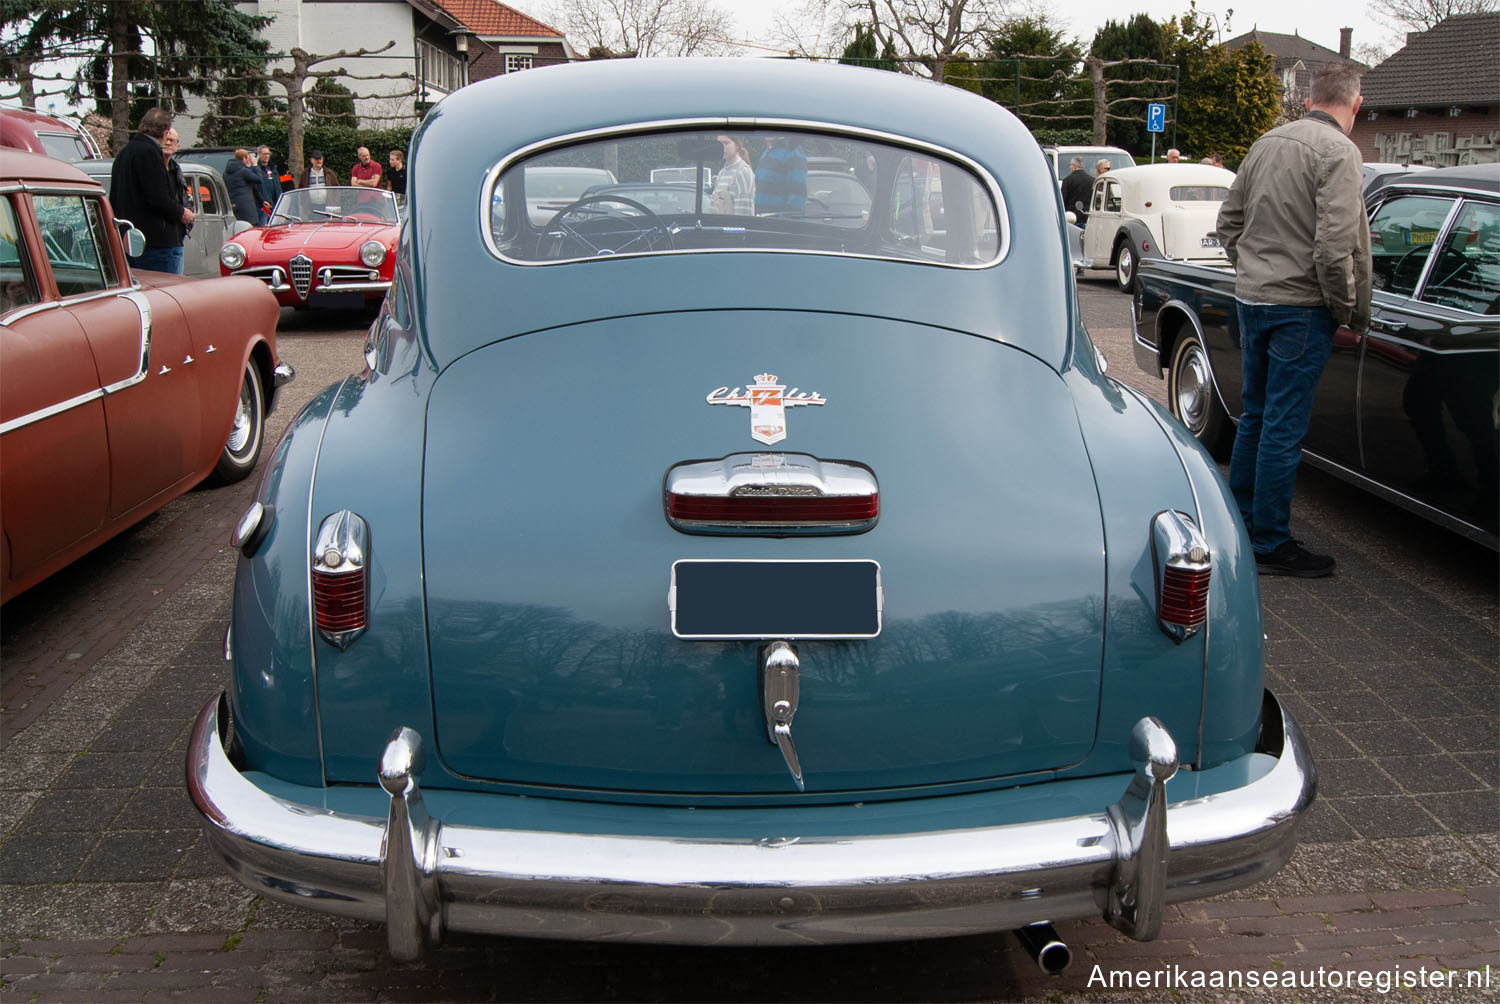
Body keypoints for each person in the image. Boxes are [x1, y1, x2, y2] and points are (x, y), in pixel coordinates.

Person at [1216, 63, 1371, 577]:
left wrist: (1253, 273)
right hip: (1301, 308)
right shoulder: (1340, 153)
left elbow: (1229, 222)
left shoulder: (1265, 143)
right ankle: (1270, 542)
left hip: (1254, 299)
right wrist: (1343, 306)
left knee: (1256, 417)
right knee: (1282, 426)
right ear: (1355, 105)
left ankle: (1240, 525)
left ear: (1309, 101)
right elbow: (1334, 247)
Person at [108, 107, 194, 273]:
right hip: (156, 243)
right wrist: (182, 212)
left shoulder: (124, 154)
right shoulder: (150, 153)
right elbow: (158, 197)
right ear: (164, 132)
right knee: (166, 293)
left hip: (129, 239)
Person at [754, 135, 806, 216]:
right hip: (762, 222)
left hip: (777, 225)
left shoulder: (793, 152)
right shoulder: (766, 152)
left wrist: (779, 223)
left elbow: (797, 201)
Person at [710, 135, 754, 215]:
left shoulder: (743, 172)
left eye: (726, 143)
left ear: (737, 146)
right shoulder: (721, 173)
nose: (722, 147)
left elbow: (743, 215)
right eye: (719, 143)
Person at [224, 148, 263, 226]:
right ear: (244, 158)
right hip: (246, 207)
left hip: (233, 205)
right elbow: (259, 179)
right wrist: (255, 165)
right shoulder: (243, 171)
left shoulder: (226, 172)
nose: (249, 160)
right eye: (248, 157)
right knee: (250, 229)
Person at [1060, 155, 1092, 221]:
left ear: (1074, 166)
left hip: (1072, 217)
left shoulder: (1068, 180)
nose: (1070, 167)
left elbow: (1063, 200)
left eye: (1070, 165)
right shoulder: (1092, 180)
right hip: (1087, 216)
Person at [255, 145, 281, 222]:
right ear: (259, 154)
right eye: (264, 154)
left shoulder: (273, 168)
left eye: (268, 154)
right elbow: (256, 188)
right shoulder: (257, 169)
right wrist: (262, 200)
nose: (267, 156)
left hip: (275, 204)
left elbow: (278, 186)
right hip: (263, 206)